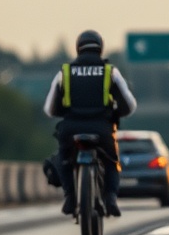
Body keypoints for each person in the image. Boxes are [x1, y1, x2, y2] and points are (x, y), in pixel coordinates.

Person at [43, 29, 137, 217]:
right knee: (111, 161)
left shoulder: (65, 72)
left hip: (71, 128)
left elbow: (49, 109)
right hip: (101, 128)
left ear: (78, 49)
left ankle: (70, 197)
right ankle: (110, 198)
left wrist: (64, 112)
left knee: (64, 158)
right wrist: (117, 113)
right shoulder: (111, 71)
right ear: (100, 49)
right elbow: (130, 105)